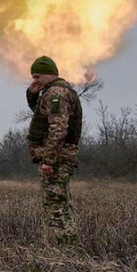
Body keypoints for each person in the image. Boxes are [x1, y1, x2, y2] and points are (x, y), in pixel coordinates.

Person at [26, 56, 83, 245]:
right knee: (60, 205)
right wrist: (32, 95)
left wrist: (48, 161)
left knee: (56, 208)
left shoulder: (55, 93)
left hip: (57, 160)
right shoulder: (55, 92)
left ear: (50, 74)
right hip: (60, 158)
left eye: (37, 77)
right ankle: (69, 250)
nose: (35, 81)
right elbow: (43, 115)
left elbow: (58, 129)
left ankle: (68, 254)